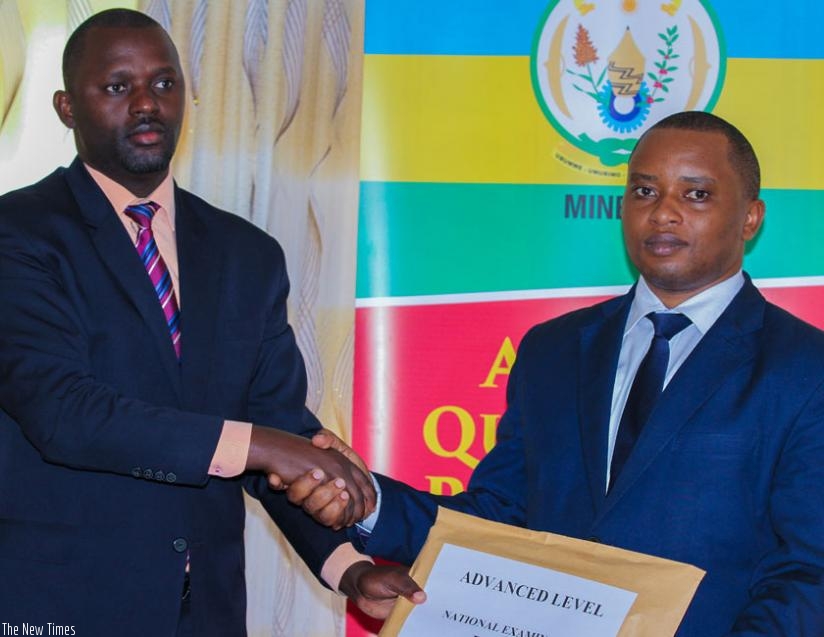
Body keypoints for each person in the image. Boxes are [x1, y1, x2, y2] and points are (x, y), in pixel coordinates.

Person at [289, 111, 824, 635]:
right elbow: (498, 518)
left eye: (696, 194)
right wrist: (366, 499)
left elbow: (808, 571)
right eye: (643, 191)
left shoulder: (804, 368)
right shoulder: (555, 350)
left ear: (751, 217)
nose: (663, 212)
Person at [0, 8, 419, 636]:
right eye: (117, 86)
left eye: (164, 84)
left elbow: (277, 430)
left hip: (207, 614)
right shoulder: (19, 233)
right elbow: (65, 413)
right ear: (66, 108)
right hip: (63, 606)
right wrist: (267, 445)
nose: (146, 103)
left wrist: (349, 568)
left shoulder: (246, 253)